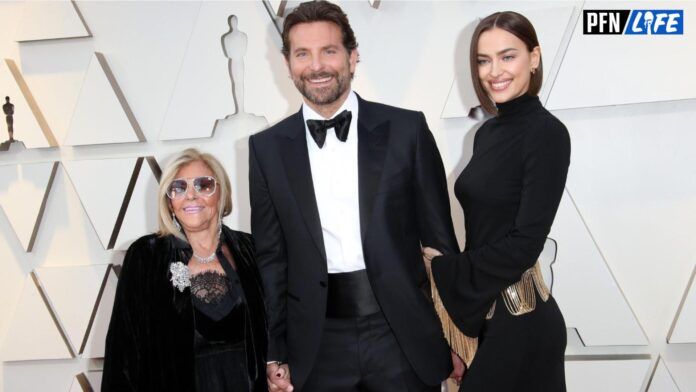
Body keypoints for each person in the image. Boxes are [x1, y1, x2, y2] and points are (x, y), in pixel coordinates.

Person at [248, 1, 463, 391]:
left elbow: (439, 243)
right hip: (316, 344)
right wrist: (274, 350)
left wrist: (455, 335)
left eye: (329, 51)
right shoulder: (266, 150)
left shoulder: (406, 130)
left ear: (352, 56)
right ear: (287, 63)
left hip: (401, 336)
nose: (317, 66)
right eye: (303, 54)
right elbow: (271, 259)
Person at [424, 11, 570, 391]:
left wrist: (442, 270)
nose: (494, 71)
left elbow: (524, 244)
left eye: (508, 56)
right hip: (486, 317)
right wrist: (459, 329)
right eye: (483, 60)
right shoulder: (486, 134)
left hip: (523, 324)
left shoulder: (548, 134)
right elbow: (483, 234)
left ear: (533, 58)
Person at [102, 148, 267, 391]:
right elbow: (123, 352)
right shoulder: (146, 257)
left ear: (221, 193)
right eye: (178, 187)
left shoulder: (252, 250)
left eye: (203, 185)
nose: (191, 195)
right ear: (169, 202)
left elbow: (281, 330)